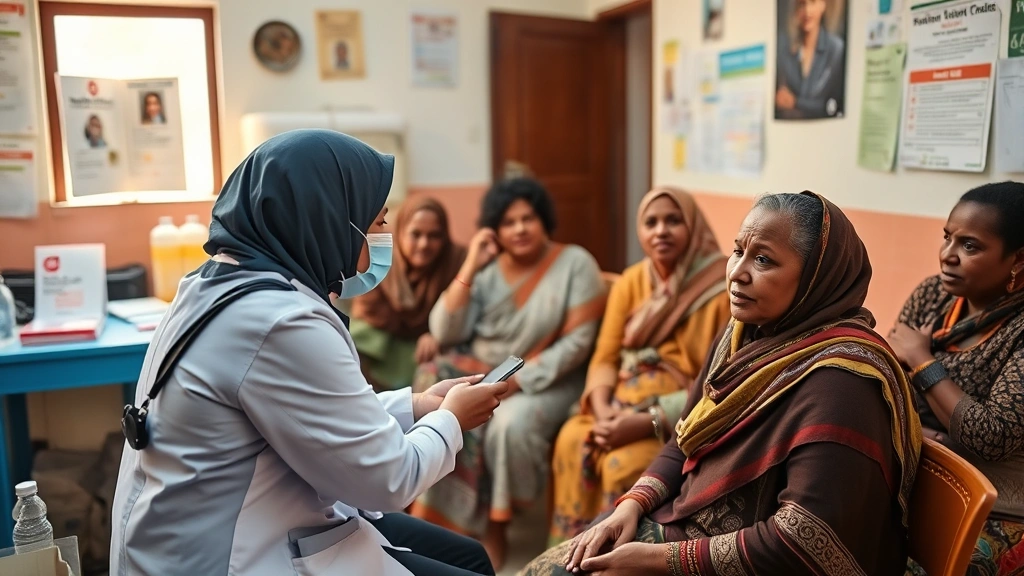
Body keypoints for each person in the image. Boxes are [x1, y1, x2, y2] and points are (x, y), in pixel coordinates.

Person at [109, 130, 507, 576]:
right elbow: (389, 479)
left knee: (468, 557)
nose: (383, 237)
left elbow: (309, 411)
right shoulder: (280, 321)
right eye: (377, 222)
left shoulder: (213, 284)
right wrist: (450, 419)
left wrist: (417, 405)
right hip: (227, 556)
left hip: (213, 527)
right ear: (328, 219)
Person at [522, 191, 922, 576]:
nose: (737, 273)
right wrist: (631, 506)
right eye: (738, 251)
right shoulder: (745, 334)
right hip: (689, 525)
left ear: (817, 276)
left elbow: (805, 539)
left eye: (763, 259)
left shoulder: (842, 381)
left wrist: (655, 561)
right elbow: (685, 437)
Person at [410, 176, 607, 570]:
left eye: (528, 218)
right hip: (485, 372)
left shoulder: (575, 264)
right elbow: (447, 331)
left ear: (544, 220)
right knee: (435, 393)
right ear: (494, 230)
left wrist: (520, 380)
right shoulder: (487, 269)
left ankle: (495, 527)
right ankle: (450, 526)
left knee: (508, 425)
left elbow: (577, 344)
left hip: (546, 379)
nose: (519, 229)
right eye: (508, 222)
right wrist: (471, 264)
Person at [548, 187, 731, 546]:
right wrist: (601, 410)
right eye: (651, 222)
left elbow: (715, 383)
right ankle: (569, 555)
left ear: (693, 227)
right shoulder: (631, 281)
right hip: (617, 406)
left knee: (622, 465)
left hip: (675, 419)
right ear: (640, 231)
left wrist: (646, 422)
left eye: (673, 221)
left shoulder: (721, 289)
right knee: (571, 439)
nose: (661, 231)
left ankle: (612, 557)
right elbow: (605, 356)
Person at [887, 181, 1024, 576]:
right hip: (915, 476)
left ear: (1019, 260)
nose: (947, 256)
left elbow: (990, 437)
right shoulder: (933, 295)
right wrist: (918, 432)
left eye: (970, 246)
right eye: (947, 238)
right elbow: (888, 385)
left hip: (997, 506)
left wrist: (921, 359)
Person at [350, 197, 467, 391]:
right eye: (416, 234)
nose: (424, 244)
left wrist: (435, 333)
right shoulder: (378, 260)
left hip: (429, 352)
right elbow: (368, 311)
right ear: (400, 232)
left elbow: (463, 316)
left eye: (434, 235)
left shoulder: (455, 262)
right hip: (384, 347)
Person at [775, 0, 846, 119]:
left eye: (813, 2)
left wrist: (796, 102)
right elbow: (781, 100)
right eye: (802, 4)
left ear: (823, 5)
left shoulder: (836, 49)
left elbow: (835, 106)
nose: (807, 11)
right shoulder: (785, 49)